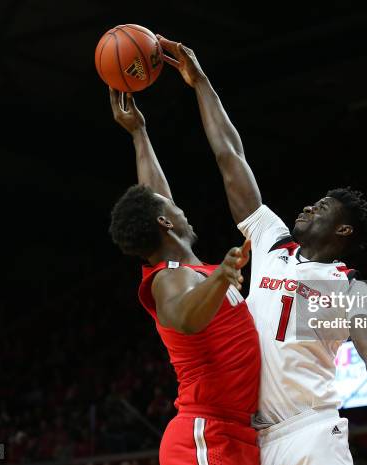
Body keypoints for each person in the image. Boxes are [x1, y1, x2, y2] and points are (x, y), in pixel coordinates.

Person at [157, 35, 367, 465]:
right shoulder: (270, 239)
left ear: (342, 229)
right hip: (256, 440)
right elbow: (231, 157)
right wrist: (202, 85)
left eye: (321, 208)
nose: (308, 206)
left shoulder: (350, 290)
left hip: (310, 432)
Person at [107, 88, 261, 465]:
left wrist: (139, 133)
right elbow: (182, 319)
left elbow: (153, 193)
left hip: (235, 431)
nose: (179, 207)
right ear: (164, 222)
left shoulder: (187, 268)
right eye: (171, 207)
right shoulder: (169, 278)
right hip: (205, 435)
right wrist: (221, 277)